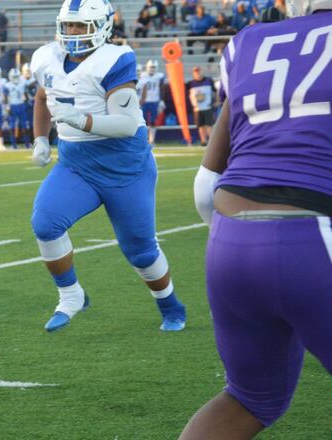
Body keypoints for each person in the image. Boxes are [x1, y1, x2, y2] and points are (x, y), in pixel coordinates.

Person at [183, 2, 332, 438]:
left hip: (230, 242)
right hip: (312, 234)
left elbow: (205, 184)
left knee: (248, 399)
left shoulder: (246, 41)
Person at [30, 0, 186, 333]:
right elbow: (43, 97)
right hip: (75, 163)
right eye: (68, 26)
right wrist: (41, 138)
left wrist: (81, 120)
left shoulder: (115, 59)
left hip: (124, 166)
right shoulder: (47, 58)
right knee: (45, 223)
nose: (72, 33)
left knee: (140, 251)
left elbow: (126, 125)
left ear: (103, 27)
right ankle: (71, 296)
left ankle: (171, 305)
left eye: (79, 26)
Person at [138, 59, 166, 145]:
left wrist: (161, 100)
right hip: (144, 101)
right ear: (147, 67)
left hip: (155, 100)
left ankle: (151, 140)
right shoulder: (142, 75)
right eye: (151, 67)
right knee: (143, 121)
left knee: (153, 121)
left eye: (154, 67)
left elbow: (162, 88)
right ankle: (144, 140)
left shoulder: (160, 76)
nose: (152, 69)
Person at [187, 66, 216, 145]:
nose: (198, 74)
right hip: (197, 108)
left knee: (209, 125)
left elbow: (215, 91)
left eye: (199, 72)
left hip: (208, 106)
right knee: (200, 125)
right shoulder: (191, 83)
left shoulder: (209, 81)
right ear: (193, 74)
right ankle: (203, 141)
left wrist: (216, 101)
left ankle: (212, 140)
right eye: (196, 72)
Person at [5, 68, 30, 149]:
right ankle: (13, 144)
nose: (15, 78)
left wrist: (26, 103)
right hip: (12, 105)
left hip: (21, 105)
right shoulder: (7, 85)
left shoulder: (23, 84)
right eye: (14, 77)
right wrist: (7, 106)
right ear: (10, 77)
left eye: (17, 77)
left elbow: (26, 95)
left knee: (24, 125)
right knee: (12, 126)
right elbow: (5, 97)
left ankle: (27, 143)